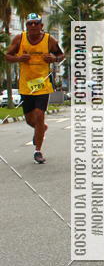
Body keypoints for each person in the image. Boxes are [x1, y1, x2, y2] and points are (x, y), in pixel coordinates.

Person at [4, 13, 64, 164]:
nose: (32, 26)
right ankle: (41, 128)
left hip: (42, 85)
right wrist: (18, 58)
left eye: (35, 23)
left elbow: (61, 55)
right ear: (26, 26)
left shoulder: (49, 39)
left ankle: (37, 151)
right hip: (26, 85)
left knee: (39, 114)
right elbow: (7, 56)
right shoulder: (20, 39)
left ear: (41, 25)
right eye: (29, 24)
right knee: (30, 120)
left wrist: (54, 59)